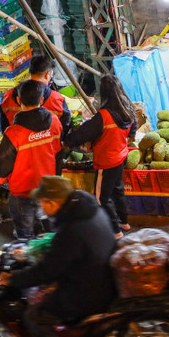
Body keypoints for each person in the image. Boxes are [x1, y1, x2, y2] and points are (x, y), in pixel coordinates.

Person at [0, 175, 117, 337]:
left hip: (92, 289)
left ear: (52, 202)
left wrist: (12, 279)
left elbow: (47, 270)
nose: (41, 208)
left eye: (42, 202)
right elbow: (64, 254)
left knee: (33, 316)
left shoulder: (71, 229)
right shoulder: (87, 207)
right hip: (102, 270)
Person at [0, 79, 63, 239]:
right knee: (52, 230)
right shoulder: (54, 122)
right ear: (41, 100)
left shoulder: (13, 133)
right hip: (46, 187)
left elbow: (3, 167)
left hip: (22, 192)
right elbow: (57, 151)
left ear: (19, 101)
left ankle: (28, 256)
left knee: (24, 234)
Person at [66, 75, 137, 238]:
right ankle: (123, 222)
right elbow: (134, 126)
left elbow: (83, 133)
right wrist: (127, 138)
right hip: (121, 157)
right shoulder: (127, 107)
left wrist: (68, 140)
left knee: (101, 198)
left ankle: (115, 231)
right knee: (118, 191)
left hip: (107, 162)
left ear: (103, 93)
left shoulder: (103, 116)